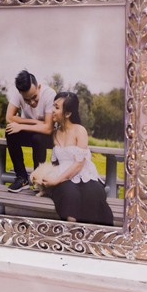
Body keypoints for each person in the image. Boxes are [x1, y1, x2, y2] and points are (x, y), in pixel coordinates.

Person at [40, 92, 114, 226]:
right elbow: (54, 162)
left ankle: (94, 232)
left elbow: (79, 164)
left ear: (68, 113)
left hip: (83, 173)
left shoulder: (80, 130)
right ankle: (72, 231)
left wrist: (56, 180)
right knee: (70, 195)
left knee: (93, 194)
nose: (52, 110)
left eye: (57, 107)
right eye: (53, 106)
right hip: (63, 175)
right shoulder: (55, 133)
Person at [5, 70, 56, 192]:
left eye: (34, 97)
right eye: (27, 100)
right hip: (32, 130)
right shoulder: (18, 94)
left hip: (46, 136)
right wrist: (35, 122)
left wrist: (22, 125)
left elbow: (48, 128)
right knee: (10, 132)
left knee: (38, 138)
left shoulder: (49, 94)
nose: (32, 102)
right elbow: (9, 118)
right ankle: (22, 178)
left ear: (39, 87)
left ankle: (38, 180)